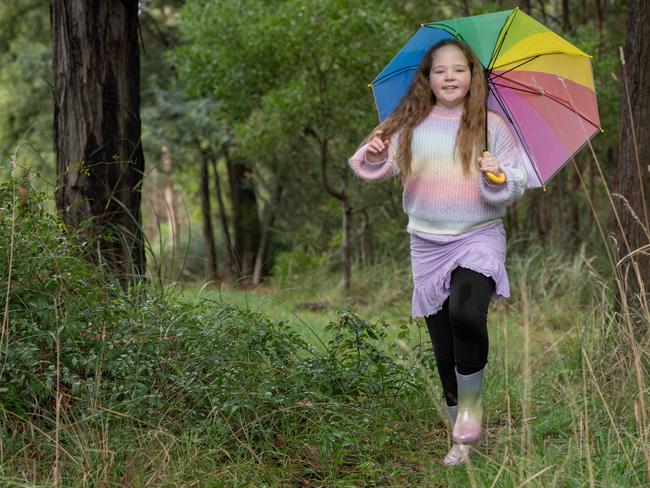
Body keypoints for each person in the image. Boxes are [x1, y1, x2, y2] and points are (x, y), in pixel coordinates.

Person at [348, 39, 527, 466]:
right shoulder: (408, 123)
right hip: (427, 245)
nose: (450, 77)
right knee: (444, 346)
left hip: (477, 236)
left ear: (473, 76)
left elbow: (515, 180)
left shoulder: (491, 126)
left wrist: (499, 176)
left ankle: (469, 418)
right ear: (426, 78)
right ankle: (461, 435)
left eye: (459, 69)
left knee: (466, 315)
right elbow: (375, 164)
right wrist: (374, 152)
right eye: (440, 70)